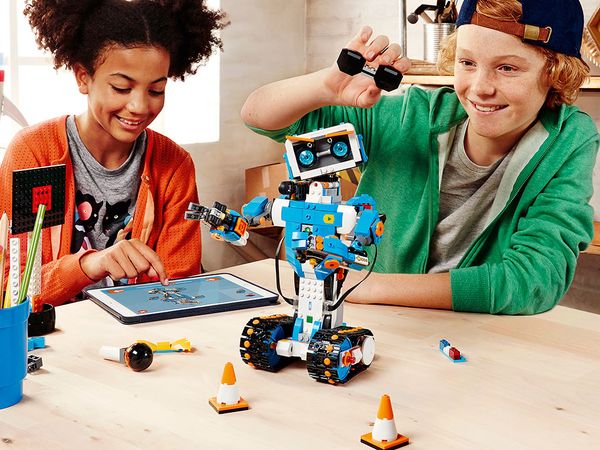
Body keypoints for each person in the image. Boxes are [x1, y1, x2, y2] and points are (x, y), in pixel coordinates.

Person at [240, 0, 599, 314]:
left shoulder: (569, 140)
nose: (480, 88)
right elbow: (259, 117)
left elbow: (534, 280)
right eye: (467, 62)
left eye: (508, 68)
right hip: (385, 328)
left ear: (556, 74)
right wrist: (324, 87)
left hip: (480, 339)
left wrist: (369, 286)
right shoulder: (409, 117)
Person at [0, 0, 226, 307]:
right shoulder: (35, 154)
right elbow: (14, 290)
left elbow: (179, 287)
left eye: (156, 90)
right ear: (83, 77)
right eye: (121, 87)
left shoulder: (174, 166)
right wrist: (91, 265)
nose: (140, 106)